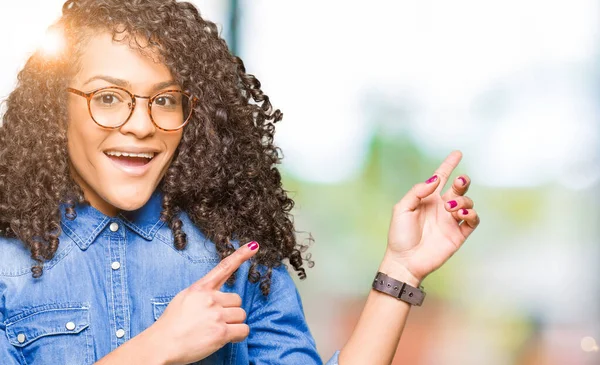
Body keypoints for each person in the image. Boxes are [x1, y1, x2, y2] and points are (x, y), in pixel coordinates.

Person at [0, 0, 480, 364]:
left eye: (165, 100)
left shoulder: (235, 253)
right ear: (54, 110)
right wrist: (157, 348)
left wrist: (400, 271)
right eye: (108, 97)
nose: (141, 124)